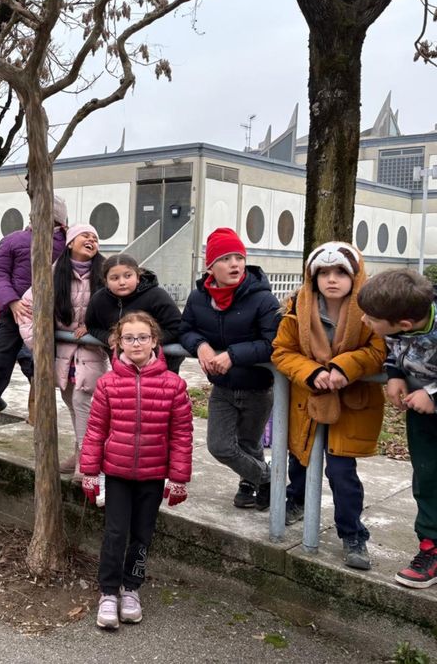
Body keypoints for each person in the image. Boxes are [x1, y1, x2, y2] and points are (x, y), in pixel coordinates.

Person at [271, 242, 383, 570]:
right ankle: (296, 501)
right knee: (301, 459)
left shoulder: (370, 309)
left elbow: (378, 351)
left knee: (342, 473)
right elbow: (282, 351)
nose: (331, 279)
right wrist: (313, 371)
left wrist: (344, 367)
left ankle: (352, 533)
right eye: (323, 272)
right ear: (312, 276)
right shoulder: (297, 306)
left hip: (350, 404)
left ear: (355, 276)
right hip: (308, 400)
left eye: (340, 272)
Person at [79, 311, 193, 629]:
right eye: (129, 338)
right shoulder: (108, 384)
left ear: (154, 340)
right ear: (119, 342)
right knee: (115, 533)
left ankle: (132, 588)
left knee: (142, 535)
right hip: (116, 473)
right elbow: (95, 431)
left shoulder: (174, 385)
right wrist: (89, 471)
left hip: (153, 475)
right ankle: (108, 593)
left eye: (143, 337)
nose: (136, 343)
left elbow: (181, 435)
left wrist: (179, 478)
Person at [178, 227, 280, 511]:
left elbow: (274, 343)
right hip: (222, 387)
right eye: (225, 258)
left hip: (257, 387)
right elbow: (184, 330)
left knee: (248, 443)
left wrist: (233, 355)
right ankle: (268, 478)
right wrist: (200, 345)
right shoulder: (198, 298)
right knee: (220, 446)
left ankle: (249, 485)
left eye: (239, 257)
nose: (235, 264)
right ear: (210, 266)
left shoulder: (263, 298)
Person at [0, 196, 69, 444]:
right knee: (0, 363)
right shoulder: (14, 240)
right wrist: (11, 302)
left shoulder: (68, 243)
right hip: (13, 313)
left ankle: (38, 416)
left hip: (50, 315)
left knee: (43, 366)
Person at [358, 268, 437, 588]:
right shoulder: (397, 320)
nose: (364, 321)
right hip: (422, 418)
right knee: (427, 478)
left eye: (371, 319)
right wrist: (394, 374)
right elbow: (394, 348)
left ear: (405, 323)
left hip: (429, 402)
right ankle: (431, 548)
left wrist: (432, 395)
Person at [20, 224, 107, 477]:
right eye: (86, 235)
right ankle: (81, 453)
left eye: (95, 237)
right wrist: (38, 342)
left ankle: (87, 460)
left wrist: (96, 331)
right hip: (63, 353)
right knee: (71, 400)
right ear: (70, 242)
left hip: (91, 350)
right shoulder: (53, 273)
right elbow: (27, 308)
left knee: (83, 401)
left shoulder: (104, 273)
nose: (92, 239)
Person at [85, 253, 183, 373]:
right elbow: (92, 326)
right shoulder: (98, 300)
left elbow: (177, 328)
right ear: (106, 281)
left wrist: (145, 341)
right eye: (114, 278)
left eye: (128, 276)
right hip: (123, 368)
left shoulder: (157, 296)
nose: (122, 282)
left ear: (138, 277)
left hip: (163, 367)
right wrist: (108, 337)